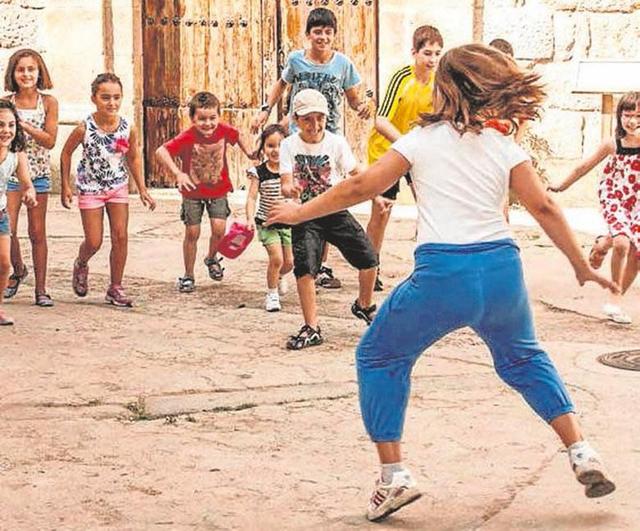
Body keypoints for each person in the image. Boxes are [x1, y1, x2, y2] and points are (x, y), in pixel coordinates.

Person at [268, 44, 617, 522]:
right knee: (523, 358)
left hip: (443, 273)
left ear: (446, 88)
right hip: (501, 272)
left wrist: (297, 212)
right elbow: (546, 208)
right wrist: (579, 264)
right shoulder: (504, 145)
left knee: (379, 354)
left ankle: (393, 478)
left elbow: (358, 187)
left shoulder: (421, 141)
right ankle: (581, 449)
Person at [251, 7, 372, 290]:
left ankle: (322, 266)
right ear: (308, 35)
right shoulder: (296, 61)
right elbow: (280, 87)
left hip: (328, 143)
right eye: (317, 31)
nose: (323, 37)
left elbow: (354, 100)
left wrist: (365, 107)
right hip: (298, 142)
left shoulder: (343, 64)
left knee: (327, 201)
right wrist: (264, 111)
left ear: (334, 35)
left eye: (328, 32)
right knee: (301, 201)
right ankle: (299, 260)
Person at [278, 88, 378, 350]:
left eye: (319, 118)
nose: (314, 125)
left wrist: (375, 194)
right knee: (305, 268)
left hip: (334, 209)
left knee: (369, 259)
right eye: (307, 119)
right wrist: (291, 191)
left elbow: (357, 174)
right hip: (305, 213)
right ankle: (311, 326)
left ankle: (364, 305)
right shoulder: (289, 145)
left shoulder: (336, 143)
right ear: (296, 120)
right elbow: (285, 182)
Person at [60, 73, 156, 307]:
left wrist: (142, 188)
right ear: (94, 98)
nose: (111, 103)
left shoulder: (126, 128)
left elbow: (131, 157)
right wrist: (65, 185)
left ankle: (115, 287)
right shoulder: (85, 128)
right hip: (90, 188)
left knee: (120, 236)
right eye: (105, 98)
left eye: (116, 97)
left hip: (117, 187)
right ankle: (81, 263)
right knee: (94, 241)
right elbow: (66, 153)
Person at [549, 91, 640, 324]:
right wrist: (561, 185)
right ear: (619, 116)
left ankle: (603, 245)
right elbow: (583, 167)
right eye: (627, 115)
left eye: (638, 116)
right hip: (615, 196)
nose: (632, 121)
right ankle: (614, 298)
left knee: (636, 254)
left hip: (637, 201)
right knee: (623, 243)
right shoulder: (613, 144)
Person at [365, 25, 443, 291]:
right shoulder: (402, 78)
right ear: (414, 53)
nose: (432, 59)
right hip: (387, 149)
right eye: (427, 53)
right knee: (382, 211)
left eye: (437, 54)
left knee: (431, 208)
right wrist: (407, 144)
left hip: (418, 153)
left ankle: (429, 268)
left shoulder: (439, 82)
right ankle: (369, 267)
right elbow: (380, 120)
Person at [156, 91, 255, 292]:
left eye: (212, 118)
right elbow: (161, 152)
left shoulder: (224, 130)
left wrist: (251, 155)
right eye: (201, 119)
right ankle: (188, 275)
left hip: (218, 190)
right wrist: (178, 174)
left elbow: (238, 136)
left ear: (219, 116)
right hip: (192, 193)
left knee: (219, 229)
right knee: (192, 232)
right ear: (192, 118)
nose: (208, 123)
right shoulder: (187, 136)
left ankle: (211, 258)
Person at [2, 49, 58, 306]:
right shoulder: (6, 102)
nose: (26, 74)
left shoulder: (48, 102)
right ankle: (18, 268)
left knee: (37, 232)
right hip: (11, 173)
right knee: (8, 229)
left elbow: (49, 141)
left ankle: (41, 288)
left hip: (39, 174)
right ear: (13, 73)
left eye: (31, 69)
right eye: (21, 69)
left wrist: (23, 126)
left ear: (39, 72)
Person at [245, 124, 293, 312]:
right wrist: (249, 218)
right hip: (267, 223)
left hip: (288, 222)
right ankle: (271, 294)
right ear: (263, 148)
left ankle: (279, 276)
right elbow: (251, 197)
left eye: (280, 145)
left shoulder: (290, 171)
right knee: (276, 259)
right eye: (271, 146)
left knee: (289, 262)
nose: (276, 150)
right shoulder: (259, 172)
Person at [0, 100, 37, 324]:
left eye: (11, 125)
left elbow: (26, 182)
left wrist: (30, 192)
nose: (6, 131)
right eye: (1, 125)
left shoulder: (16, 153)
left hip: (1, 214)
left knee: (4, 264)